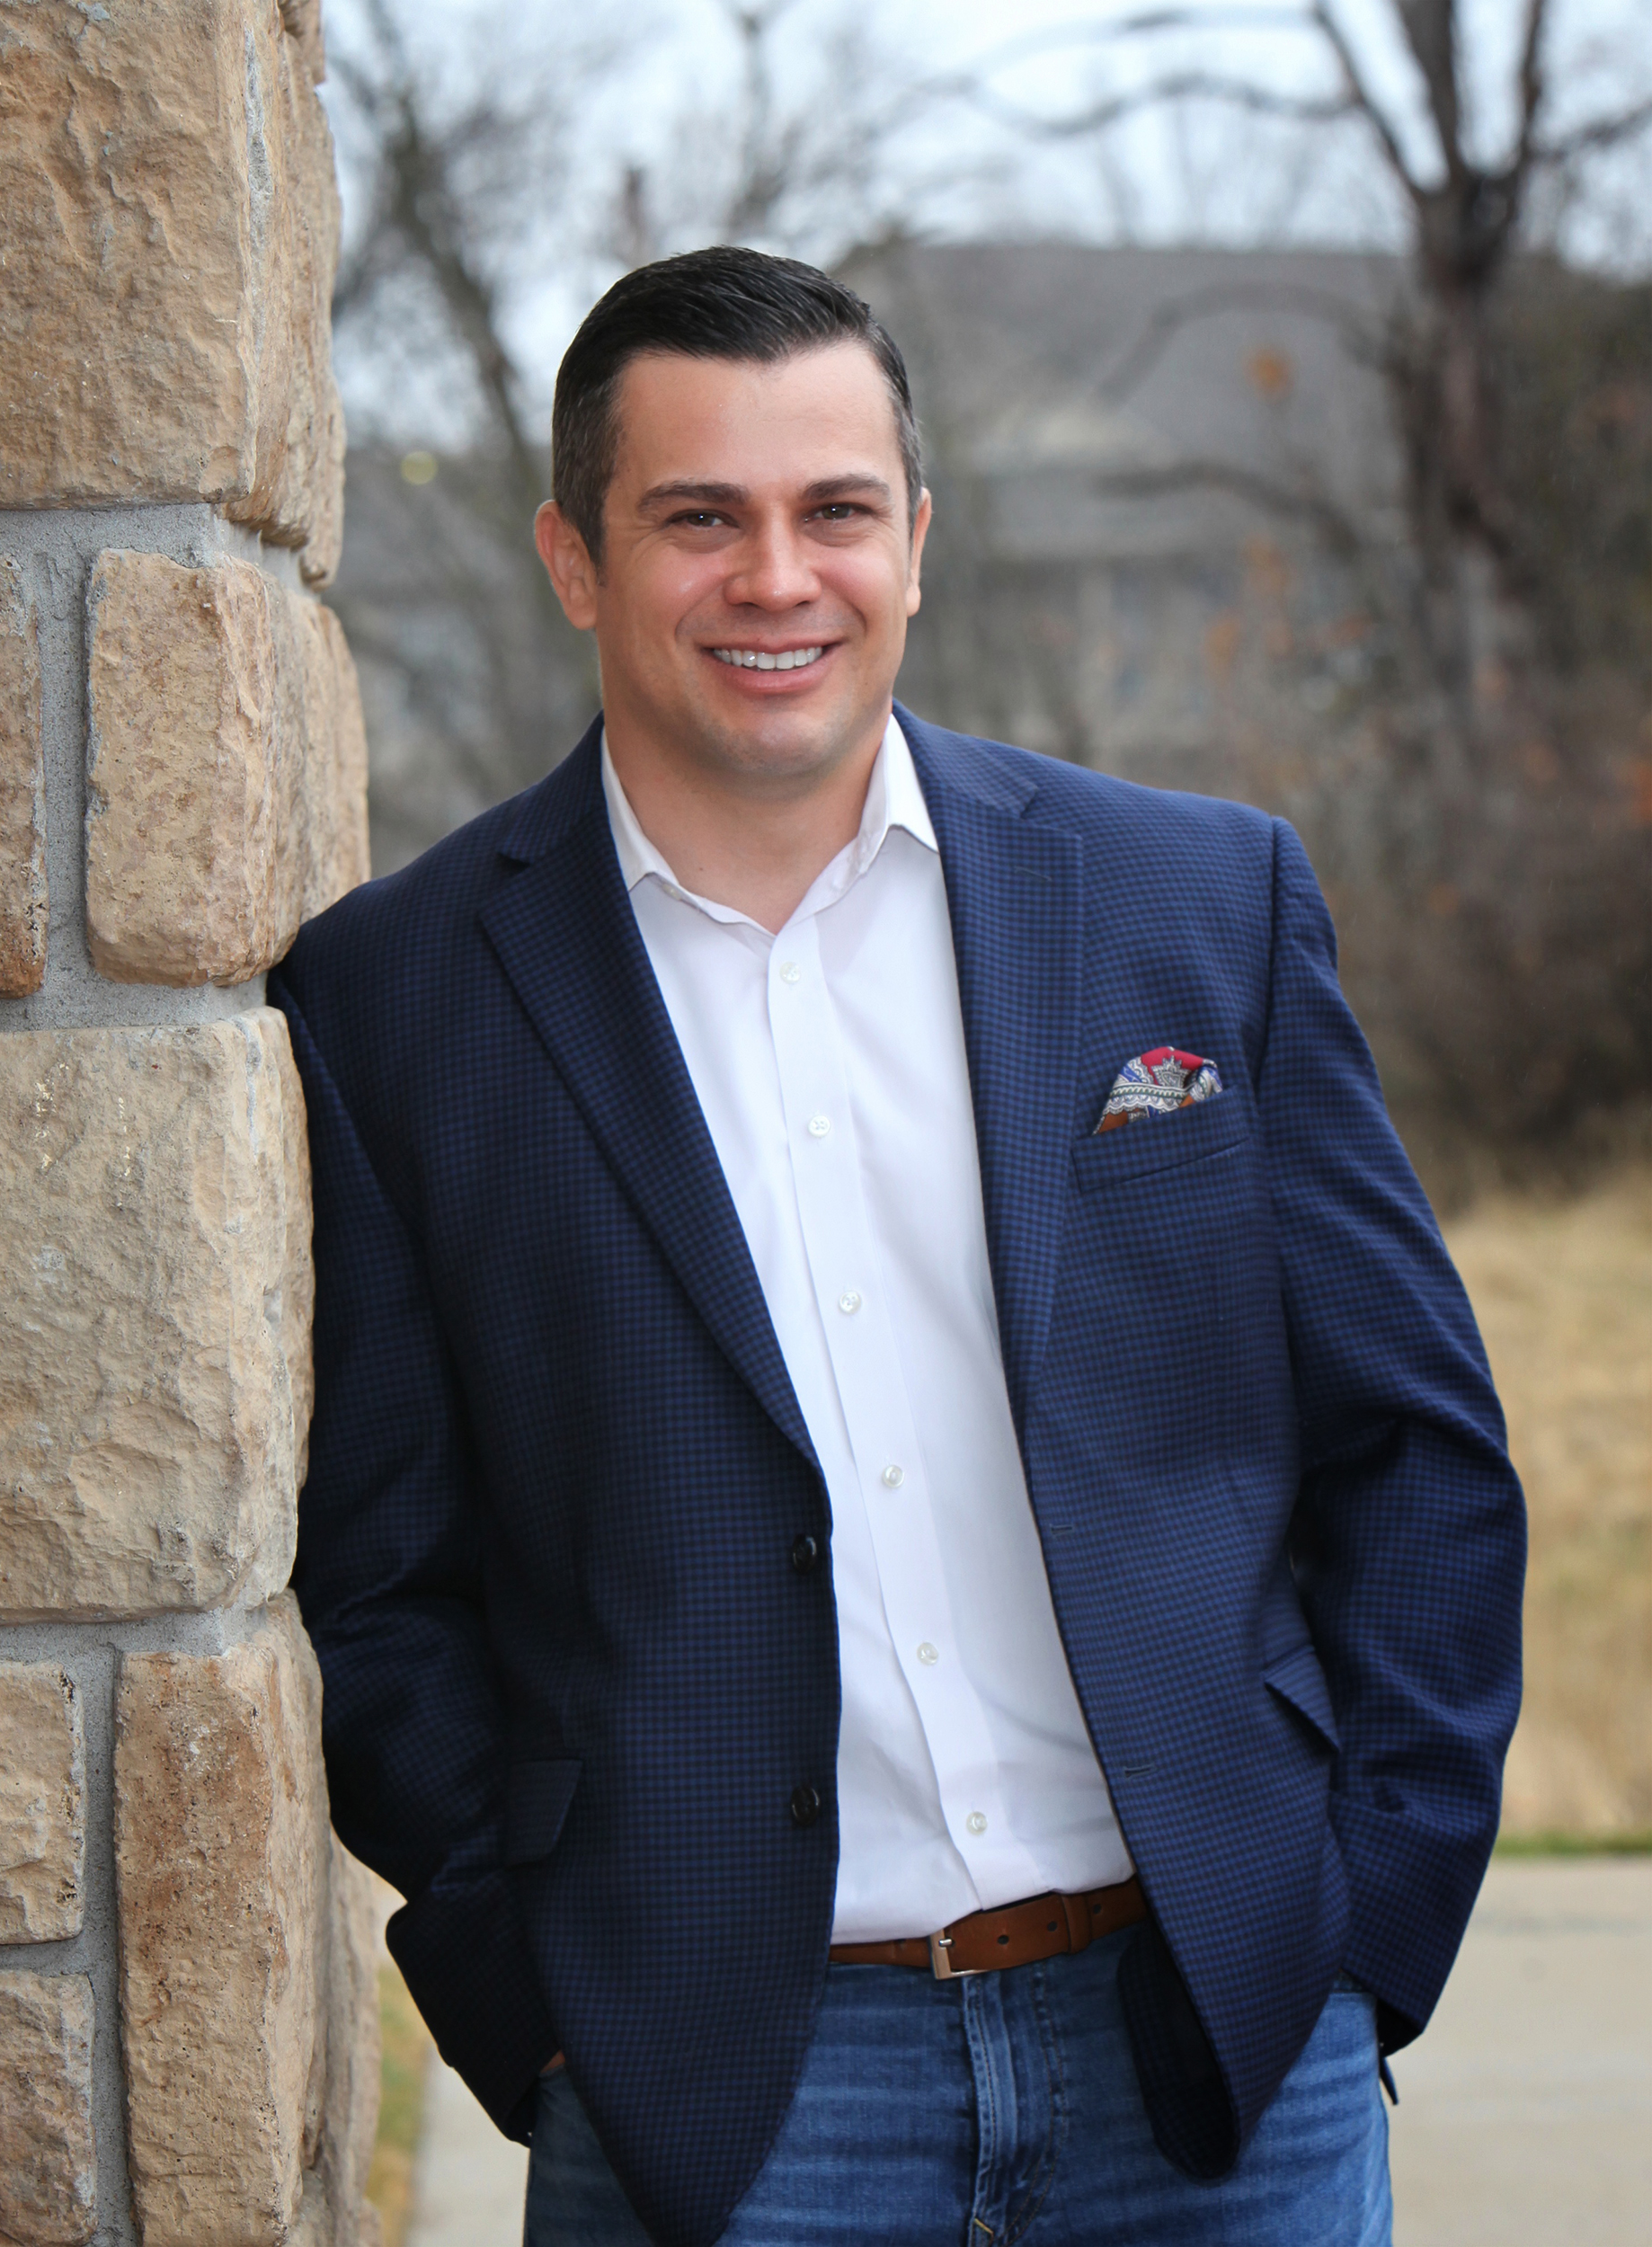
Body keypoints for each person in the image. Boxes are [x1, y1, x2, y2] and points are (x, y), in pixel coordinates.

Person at [271, 247, 1524, 2247]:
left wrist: (1366, 1921)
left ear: (915, 543)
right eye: (700, 517)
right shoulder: (393, 1002)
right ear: (575, 558)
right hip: (723, 2100)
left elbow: (1418, 1448)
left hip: (1217, 2043)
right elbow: (378, 1576)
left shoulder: (1194, 904)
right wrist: (536, 1990)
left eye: (835, 509)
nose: (778, 577)